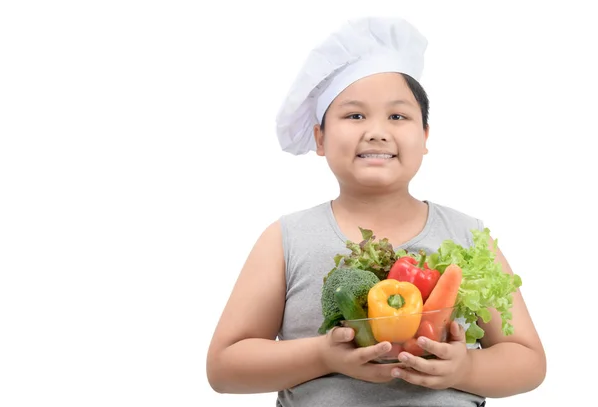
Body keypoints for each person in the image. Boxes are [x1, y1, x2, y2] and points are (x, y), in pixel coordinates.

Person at [206, 16, 546, 407]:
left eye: (398, 116)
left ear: (425, 136)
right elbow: (224, 367)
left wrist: (464, 369)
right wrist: (321, 355)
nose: (377, 131)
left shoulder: (467, 235)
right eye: (354, 115)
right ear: (320, 137)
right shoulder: (286, 238)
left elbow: (528, 361)